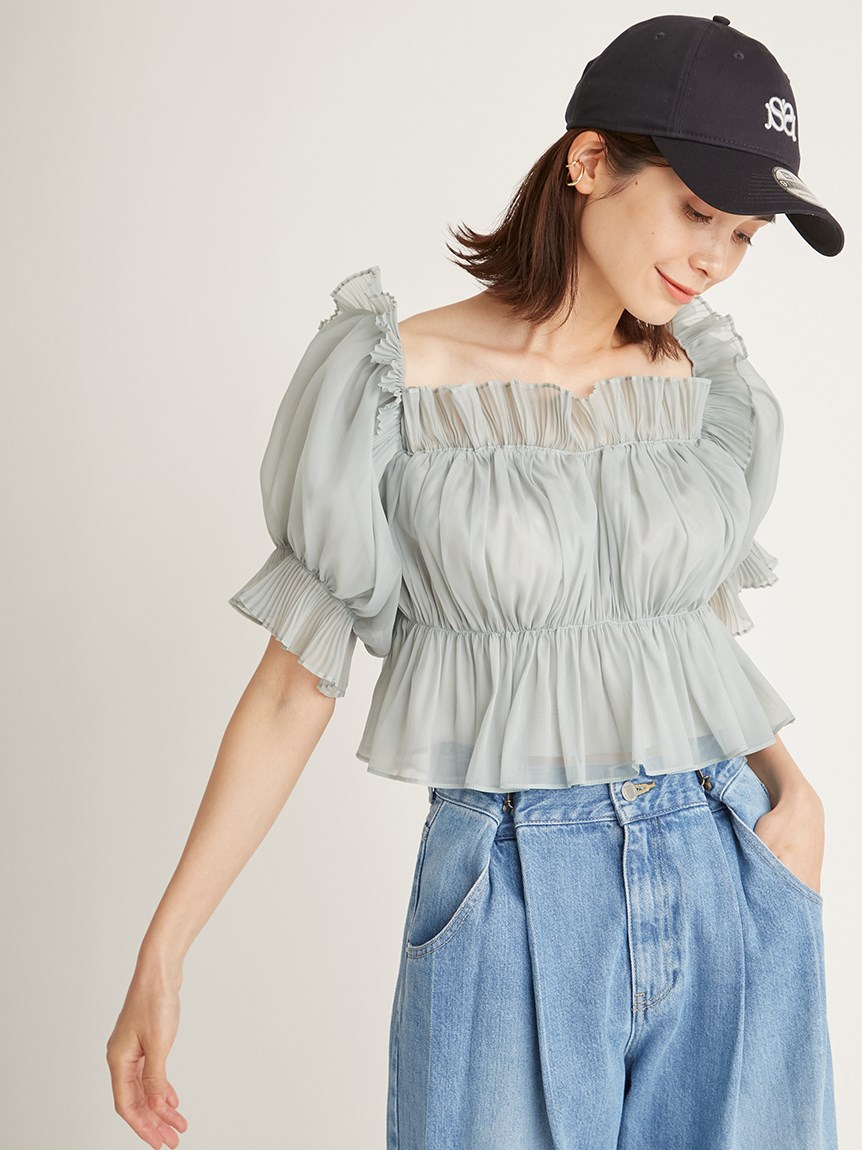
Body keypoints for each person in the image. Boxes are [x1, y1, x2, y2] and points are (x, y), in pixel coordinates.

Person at [106, 13, 844, 1150]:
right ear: (589, 161)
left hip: (729, 862)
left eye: (744, 234)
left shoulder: (705, 387)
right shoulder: (394, 384)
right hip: (508, 879)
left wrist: (792, 795)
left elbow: (681, 640)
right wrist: (164, 950)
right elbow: (293, 687)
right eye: (698, 209)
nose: (715, 259)